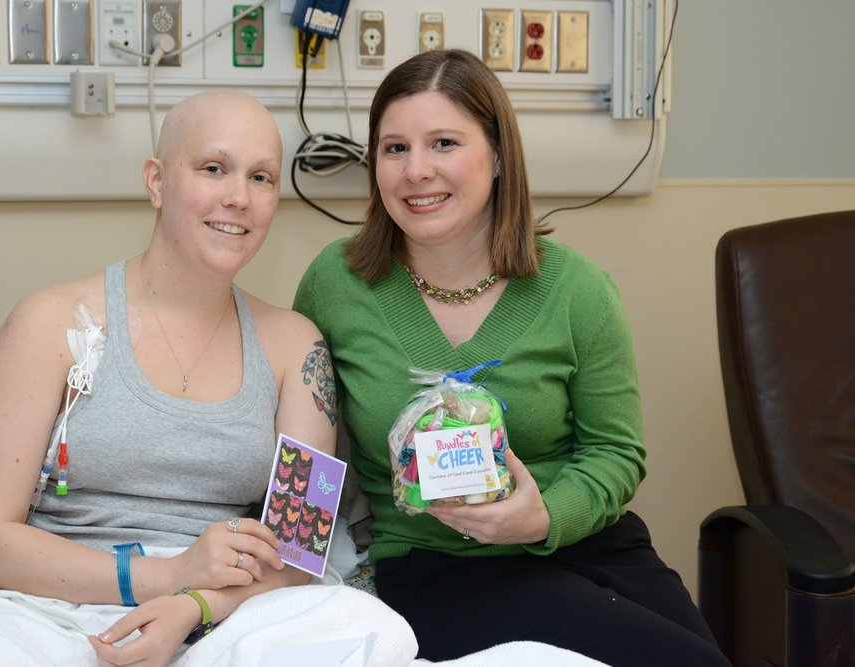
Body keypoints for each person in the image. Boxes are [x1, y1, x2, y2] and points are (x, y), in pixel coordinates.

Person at [293, 49, 730, 666]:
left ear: (498, 156)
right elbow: (306, 449)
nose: (416, 170)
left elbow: (616, 451)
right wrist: (279, 575)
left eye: (444, 143)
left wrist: (544, 517)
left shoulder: (577, 289)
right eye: (394, 148)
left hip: (590, 545)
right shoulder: (335, 284)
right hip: (439, 567)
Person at [0, 89, 335, 666]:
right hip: (44, 603)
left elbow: (301, 551)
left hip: (223, 608)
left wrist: (193, 606)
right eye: (213, 168)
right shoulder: (50, 323)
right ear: (157, 182)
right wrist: (167, 577)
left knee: (371, 632)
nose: (239, 198)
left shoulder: (297, 348)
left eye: (262, 178)